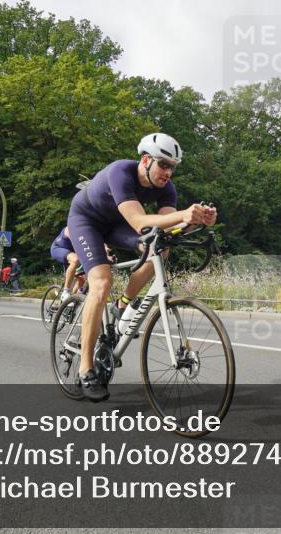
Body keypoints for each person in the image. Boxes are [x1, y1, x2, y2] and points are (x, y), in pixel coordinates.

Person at [65, 132, 216, 402]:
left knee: (161, 248)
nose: (168, 172)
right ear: (146, 160)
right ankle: (85, 368)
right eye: (164, 164)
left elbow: (168, 227)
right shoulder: (120, 172)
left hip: (116, 226)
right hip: (87, 220)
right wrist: (184, 214)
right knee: (101, 282)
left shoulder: (167, 188)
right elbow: (138, 221)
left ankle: (122, 305)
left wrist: (196, 220)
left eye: (173, 167)